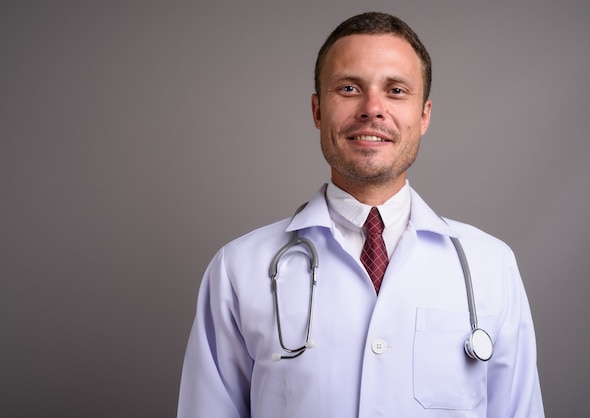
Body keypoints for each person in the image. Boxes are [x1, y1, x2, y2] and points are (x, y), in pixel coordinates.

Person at [177, 11, 544, 418]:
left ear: (424, 115)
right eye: (349, 88)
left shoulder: (490, 266)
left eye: (396, 90)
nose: (373, 109)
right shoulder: (238, 269)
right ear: (317, 111)